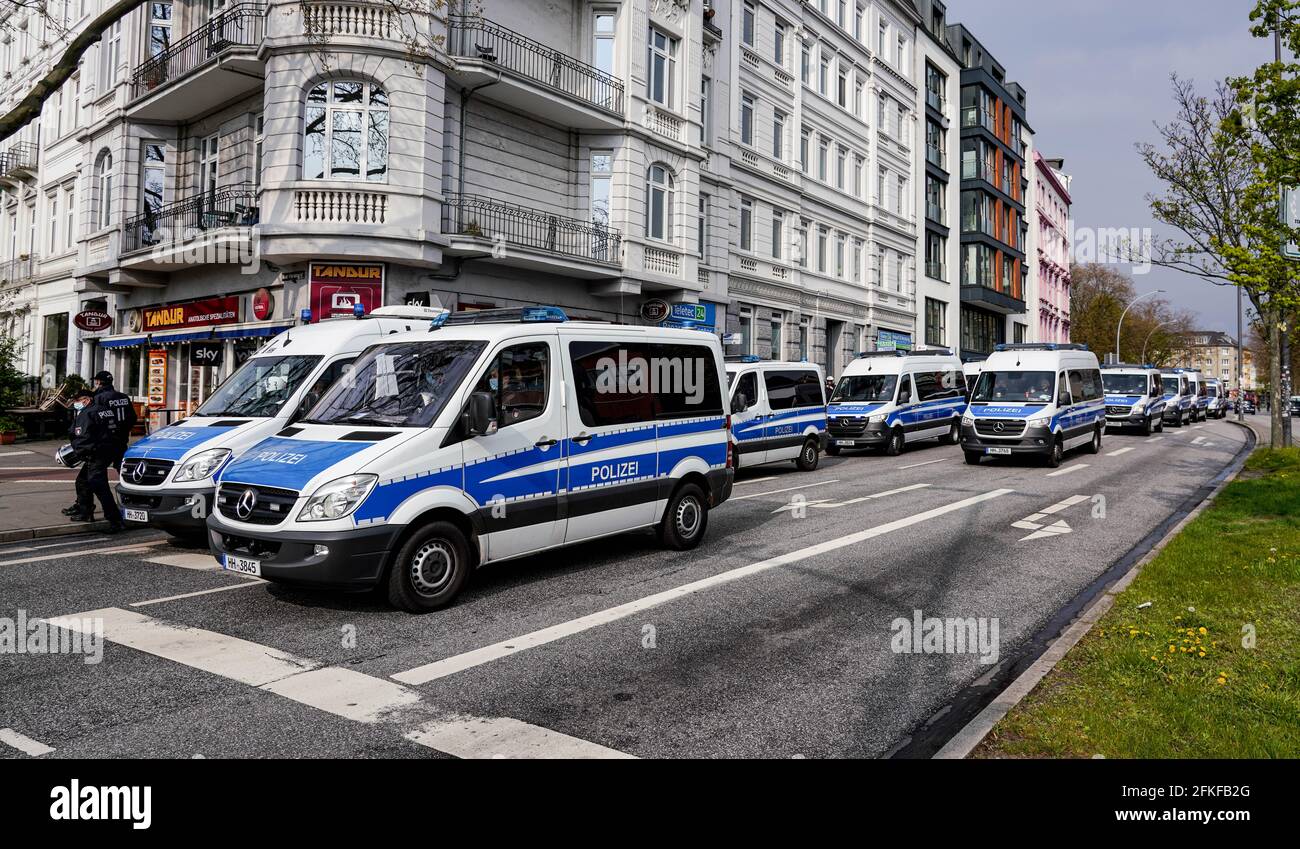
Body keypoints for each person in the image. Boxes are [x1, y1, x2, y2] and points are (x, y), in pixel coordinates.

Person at [67, 388, 124, 533]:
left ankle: (115, 520)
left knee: (98, 485)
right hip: (109, 450)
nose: (75, 404)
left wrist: (79, 453)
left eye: (77, 401)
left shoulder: (87, 414)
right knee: (82, 481)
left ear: (86, 400)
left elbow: (83, 437)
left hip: (96, 453)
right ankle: (85, 512)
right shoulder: (105, 410)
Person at [92, 370, 136, 472]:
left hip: (106, 439)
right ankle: (129, 485)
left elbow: (96, 419)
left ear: (99, 382)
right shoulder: (124, 396)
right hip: (122, 437)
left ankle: (103, 488)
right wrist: (125, 429)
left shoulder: (99, 398)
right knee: (121, 466)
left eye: (96, 381)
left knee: (98, 469)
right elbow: (132, 417)